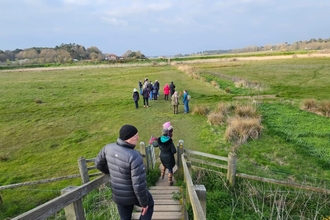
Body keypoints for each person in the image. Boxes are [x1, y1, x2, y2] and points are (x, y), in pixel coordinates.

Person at [95, 124, 154, 220]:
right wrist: (144, 204)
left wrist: (112, 172)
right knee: (149, 204)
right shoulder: (134, 156)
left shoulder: (107, 148)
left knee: (125, 218)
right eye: (136, 136)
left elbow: (98, 164)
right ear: (128, 138)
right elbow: (138, 185)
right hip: (133, 195)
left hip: (119, 195)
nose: (138, 138)